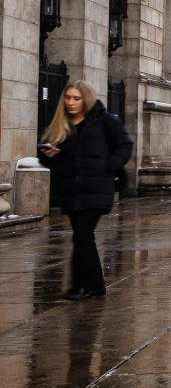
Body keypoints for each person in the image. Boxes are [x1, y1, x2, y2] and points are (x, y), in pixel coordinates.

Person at [39, 81, 133, 301]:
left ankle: (90, 286)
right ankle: (81, 286)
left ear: (86, 99)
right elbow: (51, 157)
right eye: (68, 97)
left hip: (97, 189)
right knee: (81, 238)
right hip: (72, 190)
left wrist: (108, 166)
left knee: (83, 236)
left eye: (76, 98)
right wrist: (48, 155)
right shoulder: (61, 124)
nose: (71, 102)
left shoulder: (105, 121)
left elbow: (124, 145)